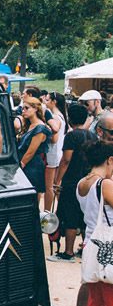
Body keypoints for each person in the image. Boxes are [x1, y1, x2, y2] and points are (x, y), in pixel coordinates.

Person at [77, 139, 113, 306]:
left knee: (97, 302)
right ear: (110, 160)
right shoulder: (106, 184)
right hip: (109, 247)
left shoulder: (82, 183)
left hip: (92, 244)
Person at [51, 104, 96, 262]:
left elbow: (66, 160)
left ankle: (68, 252)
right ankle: (85, 250)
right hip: (88, 179)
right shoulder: (92, 135)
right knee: (85, 216)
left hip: (71, 180)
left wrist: (57, 180)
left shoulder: (71, 136)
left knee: (70, 215)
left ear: (70, 118)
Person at [17, 96, 51, 202]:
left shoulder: (40, 128)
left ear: (36, 109)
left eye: (27, 108)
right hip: (26, 162)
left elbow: (31, 151)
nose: (24, 111)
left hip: (32, 164)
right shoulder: (30, 125)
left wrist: (21, 165)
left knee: (32, 196)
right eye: (23, 108)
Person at [43, 92, 67, 211]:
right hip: (57, 153)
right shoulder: (61, 115)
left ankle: (47, 213)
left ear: (54, 102)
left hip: (52, 154)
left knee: (49, 187)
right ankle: (61, 208)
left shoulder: (55, 117)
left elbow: (54, 138)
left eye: (47, 100)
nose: (45, 102)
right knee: (54, 185)